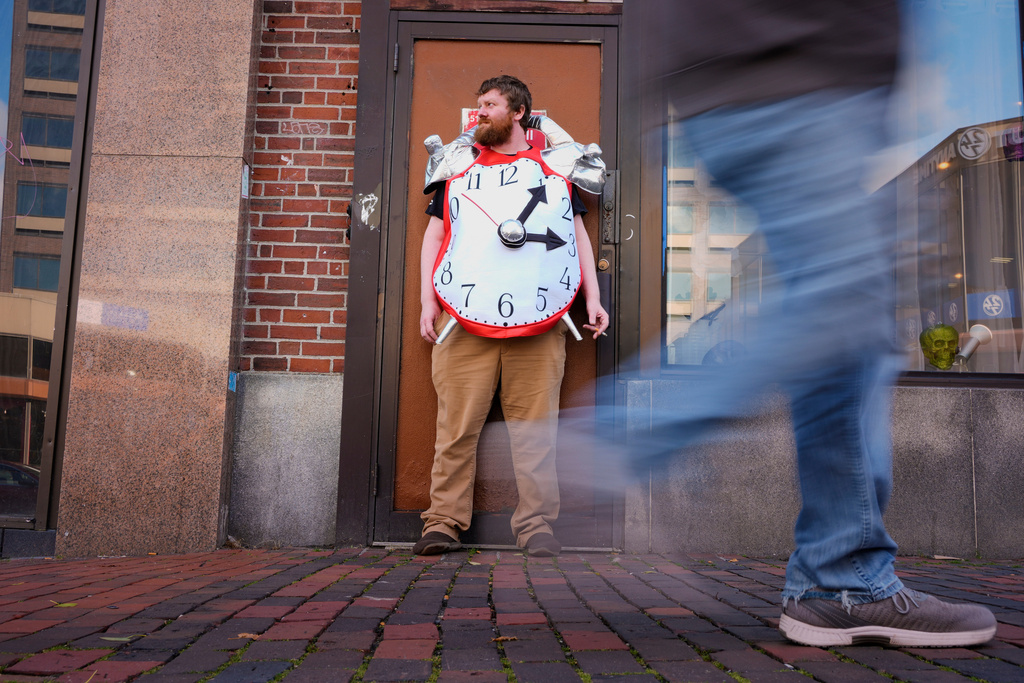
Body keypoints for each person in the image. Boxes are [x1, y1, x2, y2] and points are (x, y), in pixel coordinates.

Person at [631, 1, 997, 647]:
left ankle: (832, 580)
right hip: (796, 77)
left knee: (847, 331)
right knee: (844, 305)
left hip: (765, 77)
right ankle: (626, 432)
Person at [414, 75, 609, 557]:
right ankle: (442, 522)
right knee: (455, 428)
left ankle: (537, 526)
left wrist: (593, 298)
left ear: (518, 111)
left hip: (541, 324)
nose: (479, 112)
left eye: (490, 105)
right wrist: (426, 301)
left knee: (536, 432)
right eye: (478, 105)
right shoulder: (458, 169)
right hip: (462, 319)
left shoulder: (557, 170)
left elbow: (575, 237)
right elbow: (435, 237)